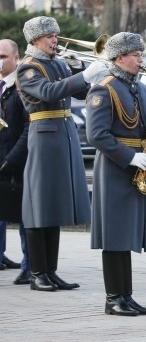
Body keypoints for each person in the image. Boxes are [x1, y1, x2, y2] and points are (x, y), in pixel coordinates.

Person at [16, 16, 105, 291]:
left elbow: (81, 94)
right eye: (49, 36)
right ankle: (36, 273)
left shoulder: (56, 62)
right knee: (40, 204)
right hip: (44, 134)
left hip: (63, 133)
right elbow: (48, 92)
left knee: (53, 205)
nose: (55, 40)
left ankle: (50, 271)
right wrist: (81, 75)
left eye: (56, 35)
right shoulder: (28, 68)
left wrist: (79, 69)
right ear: (34, 41)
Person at [86, 32, 146, 316]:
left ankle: (126, 296)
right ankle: (113, 298)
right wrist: (130, 157)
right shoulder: (104, 89)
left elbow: (145, 127)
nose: (141, 59)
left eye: (141, 54)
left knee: (126, 235)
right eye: (136, 55)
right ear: (119, 58)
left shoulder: (139, 88)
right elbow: (97, 135)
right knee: (115, 236)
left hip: (138, 165)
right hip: (117, 167)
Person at [0, 38, 29, 279]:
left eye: (3, 57)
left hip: (19, 158)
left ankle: (29, 266)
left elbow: (28, 128)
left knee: (25, 214)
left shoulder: (22, 85)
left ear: (16, 59)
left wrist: (13, 158)